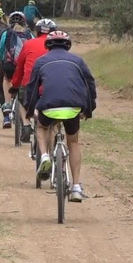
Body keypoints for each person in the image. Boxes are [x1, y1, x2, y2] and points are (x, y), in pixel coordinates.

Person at [24, 30, 97, 202]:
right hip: (73, 108)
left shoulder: (41, 61)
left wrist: (30, 110)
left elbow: (32, 88)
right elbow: (90, 85)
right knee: (73, 142)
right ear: (68, 45)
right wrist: (89, 109)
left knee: (42, 127)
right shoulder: (78, 61)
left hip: (49, 107)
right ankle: (76, 187)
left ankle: (44, 156)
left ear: (48, 45)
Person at [11, 18, 57, 142]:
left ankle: (26, 124)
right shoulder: (57, 47)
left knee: (21, 100)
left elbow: (20, 66)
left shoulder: (28, 44)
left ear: (37, 31)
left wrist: (15, 85)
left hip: (29, 82)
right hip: (51, 85)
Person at [0, 11, 33, 129]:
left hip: (10, 65)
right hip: (25, 65)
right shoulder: (29, 34)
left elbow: (1, 50)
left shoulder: (6, 33)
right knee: (24, 83)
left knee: (7, 79)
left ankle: (7, 109)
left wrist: (0, 61)